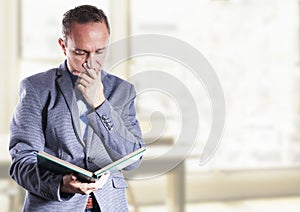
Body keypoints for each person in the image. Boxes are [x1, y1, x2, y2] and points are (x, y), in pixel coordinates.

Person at [9, 5, 145, 212]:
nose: (91, 63)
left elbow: (132, 159)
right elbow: (22, 163)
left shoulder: (122, 91)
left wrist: (99, 104)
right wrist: (61, 184)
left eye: (100, 51)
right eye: (81, 52)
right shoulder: (36, 88)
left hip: (109, 206)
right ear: (63, 46)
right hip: (55, 205)